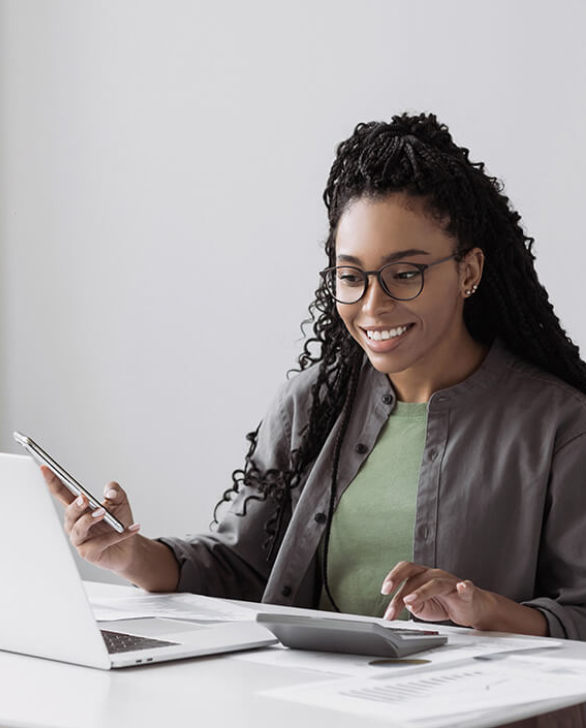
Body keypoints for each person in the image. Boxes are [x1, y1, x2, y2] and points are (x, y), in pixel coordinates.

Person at [42, 112, 586, 641]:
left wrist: (485, 610)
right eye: (351, 276)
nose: (372, 305)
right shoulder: (313, 403)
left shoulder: (560, 427)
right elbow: (242, 568)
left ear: (469, 270)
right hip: (309, 692)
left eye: (404, 274)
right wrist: (130, 553)